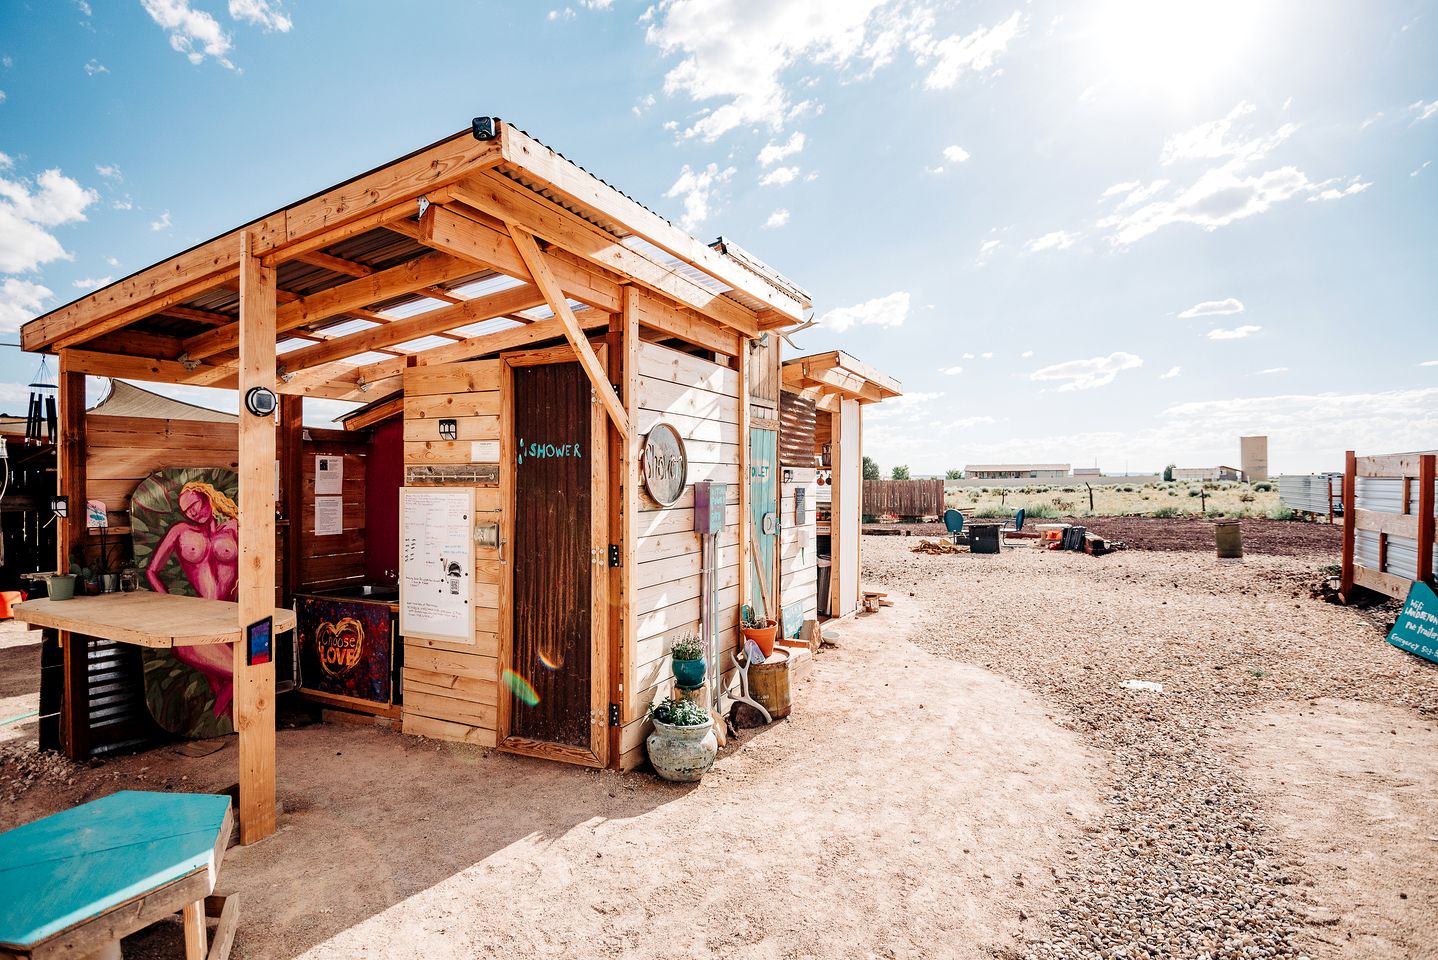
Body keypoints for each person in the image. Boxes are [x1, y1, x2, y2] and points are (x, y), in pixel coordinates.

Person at [146, 481, 240, 717]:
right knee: (233, 674)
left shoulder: (236, 527)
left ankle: (236, 728)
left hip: (233, 615)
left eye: (194, 505)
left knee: (228, 688)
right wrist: (168, 604)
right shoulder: (180, 531)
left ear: (206, 496)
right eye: (186, 510)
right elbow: (151, 571)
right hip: (200, 619)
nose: (193, 512)